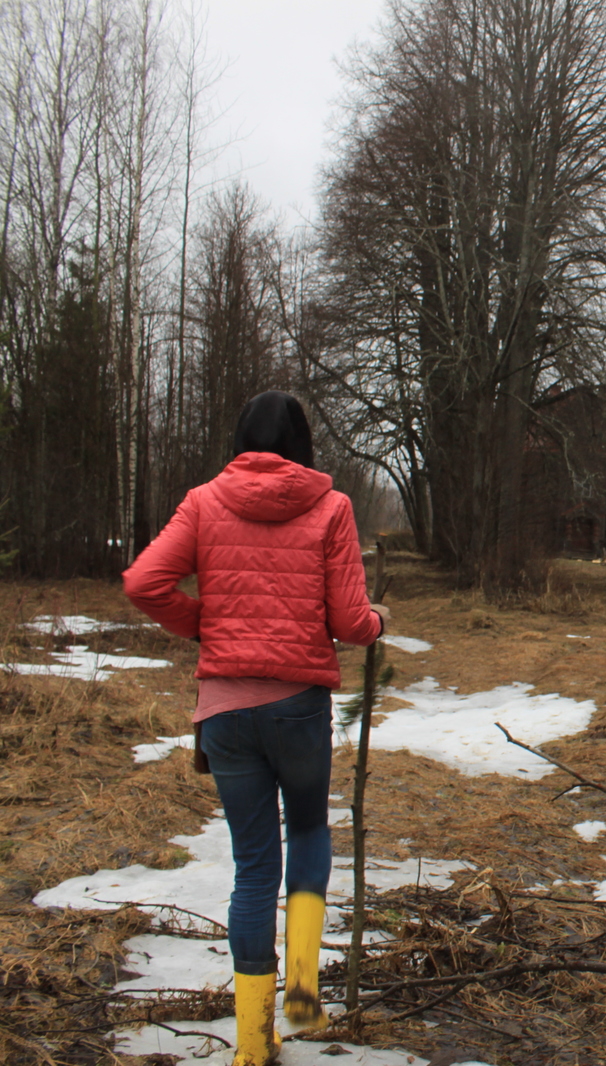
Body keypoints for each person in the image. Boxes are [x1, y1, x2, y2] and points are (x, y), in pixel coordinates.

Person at [123, 391, 389, 1065]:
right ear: (301, 446)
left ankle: (250, 1044)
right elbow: (352, 623)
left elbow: (144, 583)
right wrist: (380, 623)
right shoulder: (331, 508)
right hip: (298, 704)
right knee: (306, 829)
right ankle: (302, 984)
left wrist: (206, 627)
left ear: (241, 442)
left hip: (225, 714)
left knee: (251, 869)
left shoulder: (205, 500)